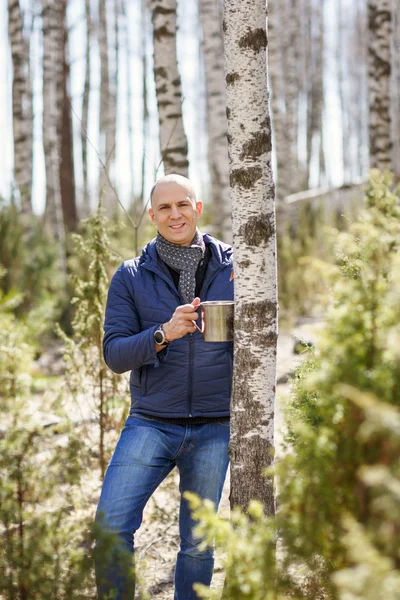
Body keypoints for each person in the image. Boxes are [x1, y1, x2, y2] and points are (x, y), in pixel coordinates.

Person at [95, 174, 233, 599]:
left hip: (215, 425)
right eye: (165, 208)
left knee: (198, 542)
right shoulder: (131, 276)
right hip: (152, 422)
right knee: (111, 526)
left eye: (183, 205)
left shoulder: (236, 266)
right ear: (152, 215)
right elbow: (115, 354)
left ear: (198, 208)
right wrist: (163, 334)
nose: (175, 214)